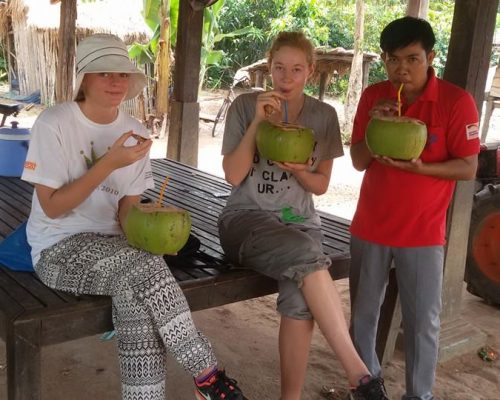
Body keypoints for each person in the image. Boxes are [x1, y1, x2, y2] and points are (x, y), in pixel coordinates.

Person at [21, 33, 245, 400]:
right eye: (104, 73)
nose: (116, 82)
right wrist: (109, 162)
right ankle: (207, 374)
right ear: (84, 79)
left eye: (122, 74)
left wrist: (156, 236)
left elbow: (127, 210)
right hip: (56, 250)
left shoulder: (136, 133)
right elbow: (52, 207)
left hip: (117, 253)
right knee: (145, 271)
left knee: (138, 290)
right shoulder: (54, 123)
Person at [217, 31, 389, 400]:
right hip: (245, 220)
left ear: (310, 71)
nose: (286, 77)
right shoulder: (246, 106)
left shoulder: (323, 116)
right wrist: (256, 126)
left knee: (299, 297)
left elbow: (321, 185)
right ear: (270, 66)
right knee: (307, 258)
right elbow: (233, 175)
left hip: (299, 222)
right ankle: (360, 375)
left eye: (296, 69)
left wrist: (296, 169)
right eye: (279, 68)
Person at [349, 17, 480, 400]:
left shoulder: (456, 102)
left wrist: (423, 168)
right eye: (393, 59)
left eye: (412, 59)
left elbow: (468, 167)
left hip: (422, 233)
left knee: (424, 322)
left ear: (430, 57)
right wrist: (375, 131)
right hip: (370, 225)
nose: (401, 68)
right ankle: (367, 387)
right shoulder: (374, 97)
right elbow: (358, 161)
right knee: (362, 318)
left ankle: (419, 395)